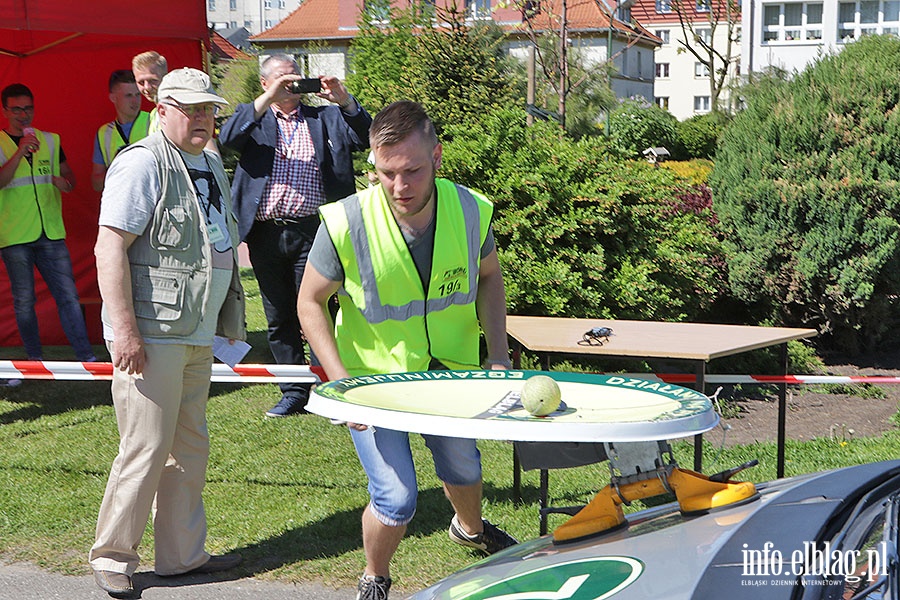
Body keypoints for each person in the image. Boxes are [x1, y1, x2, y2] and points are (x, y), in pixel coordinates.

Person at [297, 100, 517, 600]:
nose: (400, 187)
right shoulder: (345, 221)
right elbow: (309, 302)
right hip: (373, 383)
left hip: (450, 371)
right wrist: (339, 383)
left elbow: (489, 278)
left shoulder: (470, 210)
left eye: (413, 171)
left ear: (437, 157)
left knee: (465, 469)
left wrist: (498, 353)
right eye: (386, 173)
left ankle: (470, 530)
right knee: (396, 499)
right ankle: (375, 576)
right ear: (373, 165)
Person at [89, 67, 245, 599]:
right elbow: (109, 248)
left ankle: (181, 556)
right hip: (152, 334)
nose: (203, 118)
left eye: (209, 109)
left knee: (189, 447)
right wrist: (125, 330)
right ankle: (113, 556)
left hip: (196, 330)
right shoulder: (142, 162)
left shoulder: (210, 161)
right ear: (163, 109)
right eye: (192, 109)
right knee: (145, 448)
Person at [220, 53, 372, 418]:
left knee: (318, 308)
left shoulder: (328, 117)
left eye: (294, 77)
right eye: (281, 79)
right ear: (265, 84)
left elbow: (367, 137)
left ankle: (328, 388)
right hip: (265, 233)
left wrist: (345, 100)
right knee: (278, 315)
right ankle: (293, 391)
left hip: (315, 230)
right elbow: (226, 137)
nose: (290, 84)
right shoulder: (253, 121)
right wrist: (267, 100)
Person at [0, 83, 96, 363]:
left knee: (68, 296)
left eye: (28, 108)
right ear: (5, 110)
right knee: (25, 302)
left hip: (50, 233)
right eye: (16, 109)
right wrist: (20, 152)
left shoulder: (51, 140)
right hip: (15, 235)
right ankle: (34, 359)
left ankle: (86, 357)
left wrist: (64, 184)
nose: (23, 114)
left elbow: (70, 180)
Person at [91, 69, 151, 192]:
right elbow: (96, 184)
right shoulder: (104, 133)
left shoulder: (154, 121)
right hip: (121, 201)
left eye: (138, 94)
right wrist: (118, 166)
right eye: (128, 96)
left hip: (153, 201)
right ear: (113, 98)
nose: (135, 101)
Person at [131, 51, 167, 133]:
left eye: (152, 81)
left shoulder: (177, 111)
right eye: (141, 82)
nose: (147, 87)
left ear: (165, 77)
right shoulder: (153, 115)